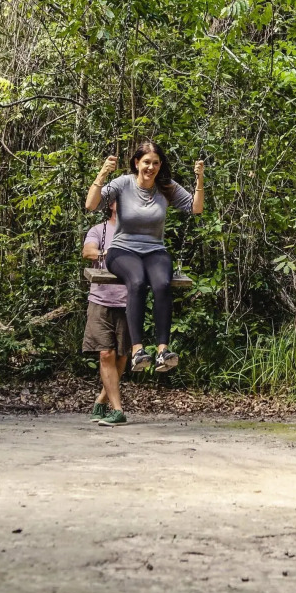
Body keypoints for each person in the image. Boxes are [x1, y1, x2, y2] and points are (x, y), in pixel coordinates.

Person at [84, 140, 204, 378]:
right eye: (147, 162)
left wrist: (199, 179)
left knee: (162, 284)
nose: (151, 167)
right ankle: (138, 350)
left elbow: (195, 208)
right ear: (137, 163)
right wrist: (102, 173)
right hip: (122, 250)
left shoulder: (166, 187)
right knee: (137, 281)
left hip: (154, 250)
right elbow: (91, 204)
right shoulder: (123, 183)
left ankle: (162, 351)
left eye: (156, 163)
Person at [82, 204, 132, 426]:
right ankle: (118, 410)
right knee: (105, 353)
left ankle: (101, 401)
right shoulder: (98, 230)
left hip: (129, 302)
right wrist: (108, 253)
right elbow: (88, 251)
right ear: (111, 205)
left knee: (122, 356)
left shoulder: (138, 233)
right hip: (101, 300)